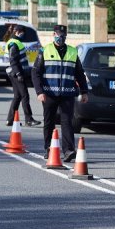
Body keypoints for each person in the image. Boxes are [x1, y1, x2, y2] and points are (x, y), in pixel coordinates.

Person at [31, 25, 89, 162]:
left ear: (66, 36)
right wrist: (39, 91)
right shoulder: (44, 51)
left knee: (67, 122)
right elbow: (35, 72)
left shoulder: (72, 52)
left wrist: (84, 91)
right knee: (49, 122)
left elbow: (79, 74)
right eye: (58, 34)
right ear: (53, 34)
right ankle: (49, 149)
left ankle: (69, 151)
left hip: (67, 94)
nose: (60, 37)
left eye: (63, 35)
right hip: (49, 93)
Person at [6, 24, 41, 127]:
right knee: (25, 95)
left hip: (14, 72)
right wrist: (18, 73)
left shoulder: (15, 42)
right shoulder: (14, 44)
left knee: (17, 96)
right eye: (22, 33)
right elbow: (13, 61)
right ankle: (29, 119)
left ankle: (10, 119)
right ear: (17, 32)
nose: (22, 35)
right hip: (16, 73)